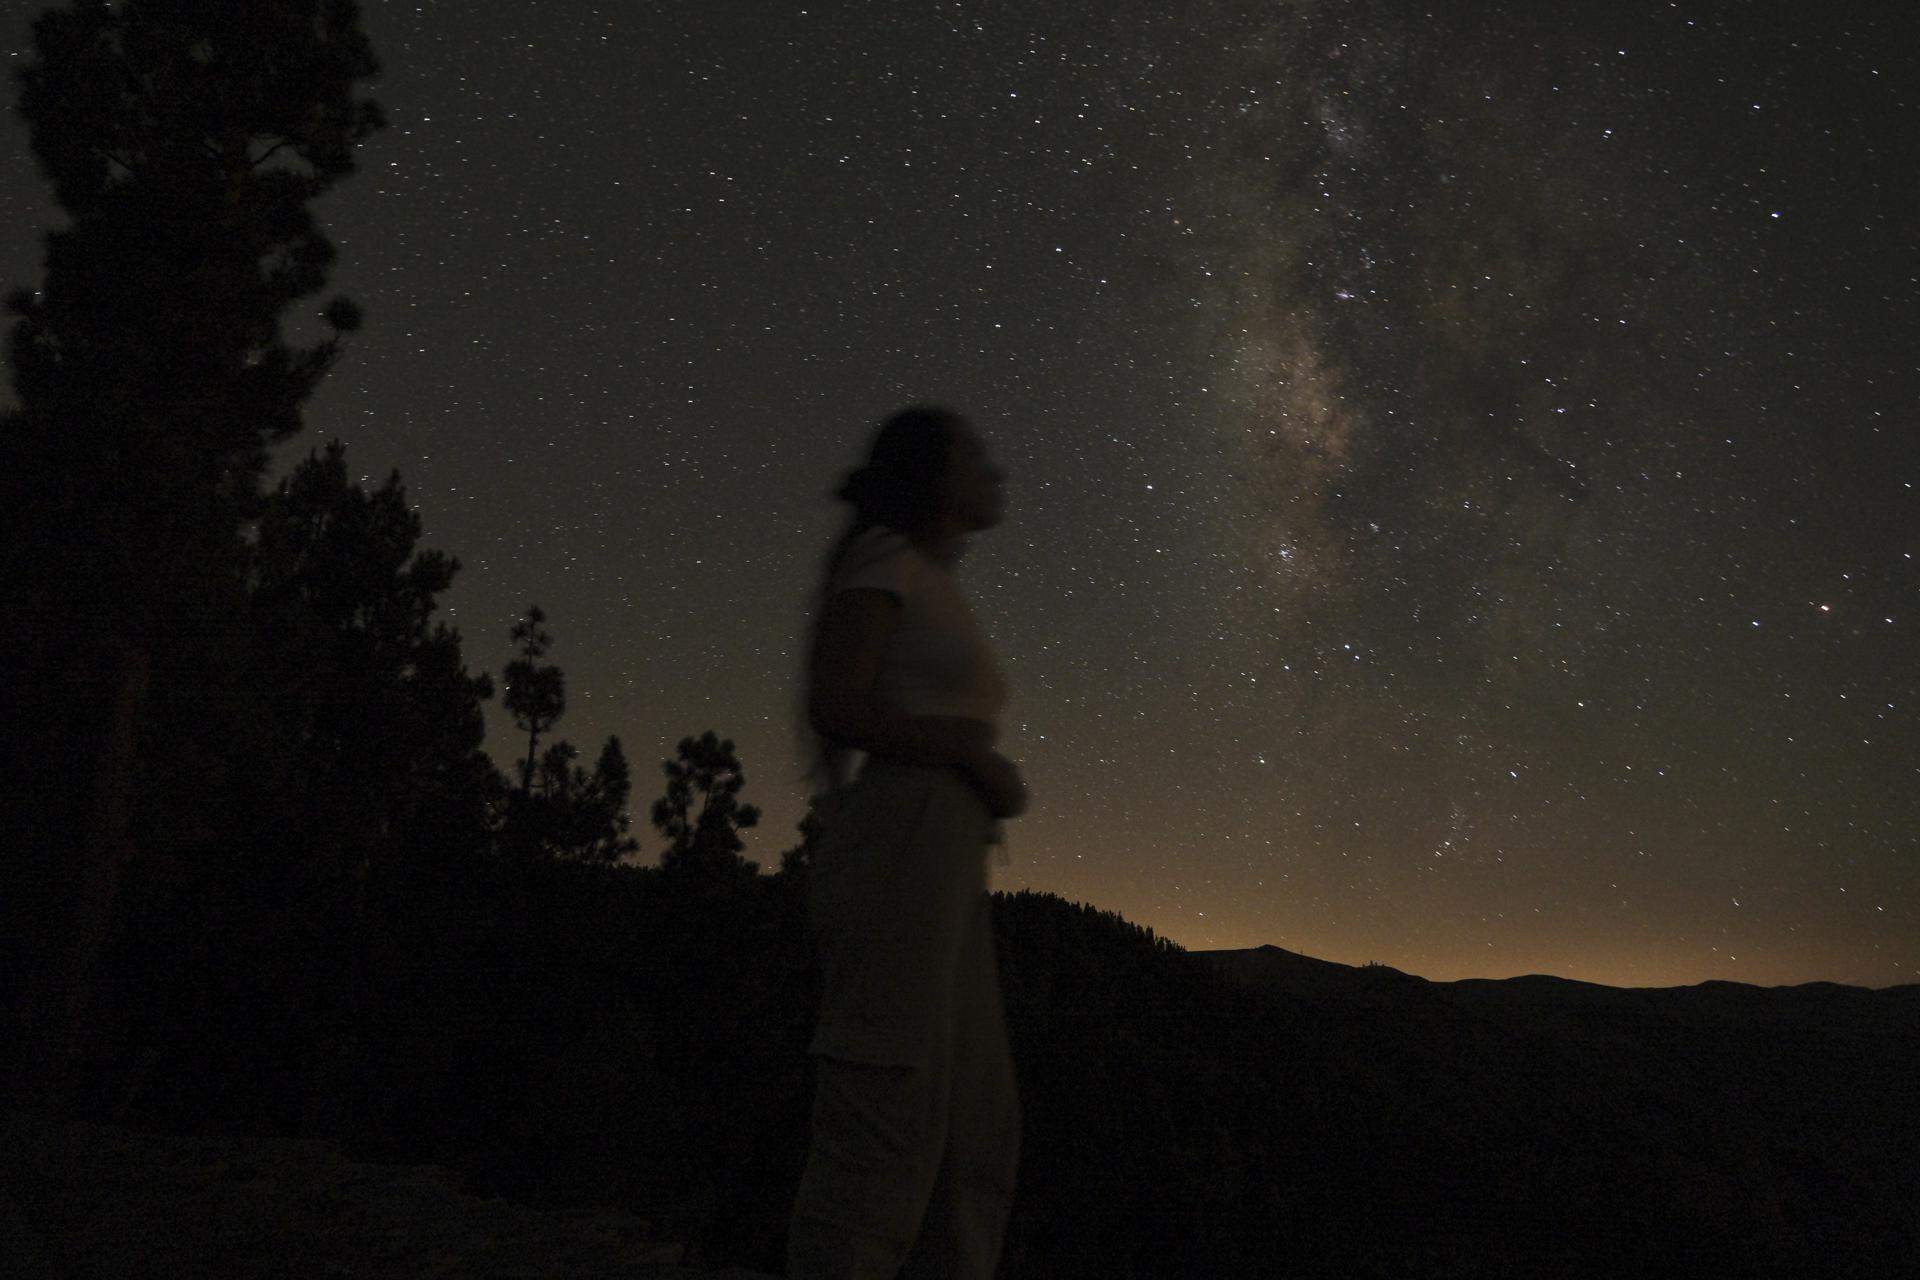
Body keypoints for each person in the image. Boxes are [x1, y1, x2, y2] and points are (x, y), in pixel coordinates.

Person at [786, 404, 1028, 1279]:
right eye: (975, 455)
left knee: (973, 1122)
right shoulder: (884, 559)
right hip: (903, 841)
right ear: (932, 475)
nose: (995, 472)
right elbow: (837, 703)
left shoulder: (929, 576)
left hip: (944, 852)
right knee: (887, 1100)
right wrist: (969, 754)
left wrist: (975, 771)